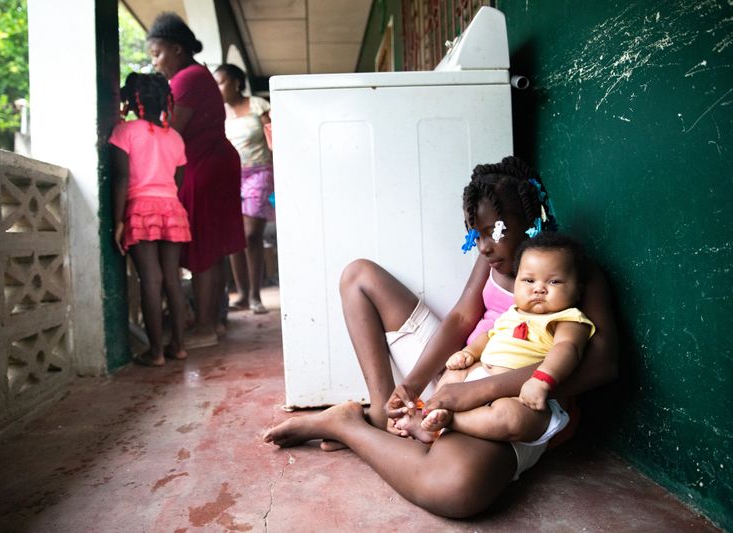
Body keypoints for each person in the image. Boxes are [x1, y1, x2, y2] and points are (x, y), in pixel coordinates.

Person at [263, 156, 618, 518]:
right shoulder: (493, 256)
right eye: (475, 235)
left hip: (508, 393)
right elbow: (463, 316)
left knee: (454, 490)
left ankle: (347, 426)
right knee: (359, 277)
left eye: (494, 232)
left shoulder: (571, 272)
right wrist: (412, 386)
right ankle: (380, 411)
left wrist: (479, 391)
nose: (483, 247)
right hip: (460, 368)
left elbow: (603, 364)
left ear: (531, 221)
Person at [396, 233, 594, 459]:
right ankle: (432, 420)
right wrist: (469, 353)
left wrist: (542, 380)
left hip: (520, 394)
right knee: (453, 375)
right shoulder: (513, 313)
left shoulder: (569, 319)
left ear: (577, 290)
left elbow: (567, 349)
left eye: (554, 281)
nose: (539, 289)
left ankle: (449, 421)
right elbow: (489, 336)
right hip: (479, 377)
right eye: (529, 280)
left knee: (511, 420)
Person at [146, 12, 245, 348]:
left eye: (157, 54)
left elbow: (171, 131)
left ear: (176, 49)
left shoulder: (187, 78)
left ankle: (203, 328)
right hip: (215, 164)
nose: (156, 63)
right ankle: (212, 324)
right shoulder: (198, 74)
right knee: (213, 250)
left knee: (203, 247)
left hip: (205, 168)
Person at [110, 72, 190, 366]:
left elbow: (121, 179)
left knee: (151, 279)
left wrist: (118, 220)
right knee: (172, 278)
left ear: (132, 101)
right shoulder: (176, 138)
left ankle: (155, 352)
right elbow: (177, 180)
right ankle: (178, 346)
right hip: (172, 208)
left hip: (140, 209)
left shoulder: (125, 131)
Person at [213, 63, 275, 315]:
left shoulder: (258, 105)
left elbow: (275, 139)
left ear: (237, 82)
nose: (218, 88)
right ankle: (241, 294)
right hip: (228, 176)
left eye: (221, 82)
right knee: (234, 237)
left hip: (259, 172)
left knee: (251, 235)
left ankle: (255, 296)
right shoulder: (218, 113)